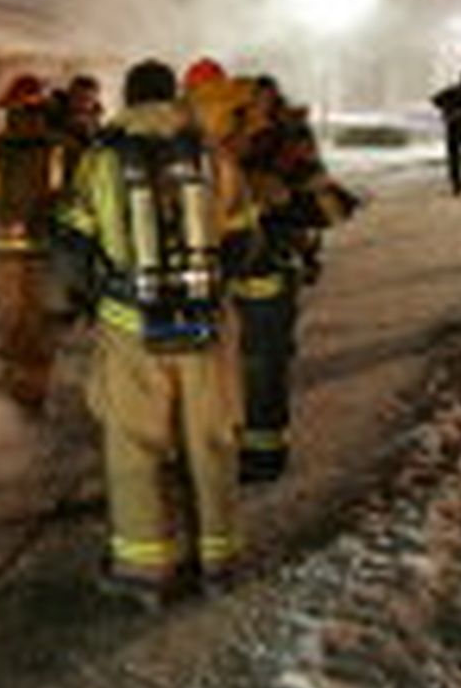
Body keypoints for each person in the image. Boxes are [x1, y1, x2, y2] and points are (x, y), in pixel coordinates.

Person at [57, 58, 255, 609]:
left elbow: (72, 244)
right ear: (174, 97)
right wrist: (212, 291)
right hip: (204, 328)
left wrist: (87, 300)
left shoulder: (101, 158)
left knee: (135, 446)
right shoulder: (214, 156)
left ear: (128, 97)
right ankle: (219, 562)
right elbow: (244, 241)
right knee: (210, 442)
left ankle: (145, 571)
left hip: (131, 328)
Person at [228, 75, 359, 481]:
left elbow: (327, 209)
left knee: (263, 366)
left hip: (269, 266)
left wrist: (280, 203)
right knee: (237, 368)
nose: (255, 116)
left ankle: (263, 455)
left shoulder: (288, 145)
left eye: (260, 106)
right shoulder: (222, 146)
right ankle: (231, 444)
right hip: (229, 274)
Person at [0, 74, 70, 413]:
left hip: (6, 255)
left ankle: (23, 387)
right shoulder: (62, 149)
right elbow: (78, 203)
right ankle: (32, 389)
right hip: (45, 255)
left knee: (14, 323)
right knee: (38, 325)